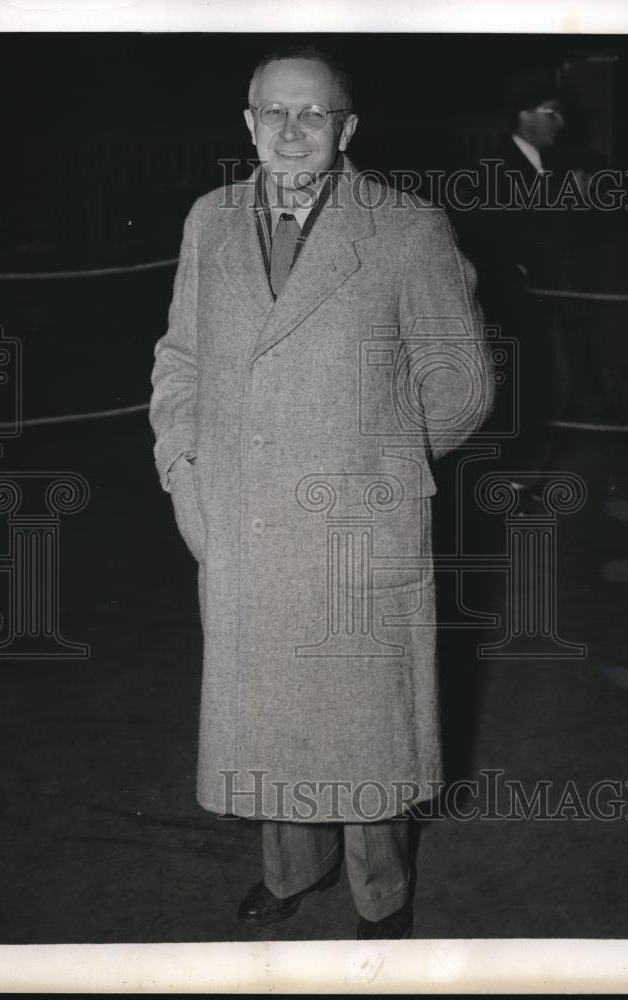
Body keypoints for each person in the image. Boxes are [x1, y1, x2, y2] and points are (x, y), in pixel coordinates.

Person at [149, 43, 495, 940]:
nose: (291, 129)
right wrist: (186, 472)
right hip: (240, 523)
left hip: (353, 526)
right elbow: (179, 360)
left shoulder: (405, 226)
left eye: (312, 113)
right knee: (269, 714)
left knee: (364, 729)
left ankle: (382, 895)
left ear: (347, 125)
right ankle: (291, 871)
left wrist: (369, 473)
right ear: (247, 123)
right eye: (273, 112)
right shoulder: (209, 220)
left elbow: (459, 384)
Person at [456, 72, 571, 512]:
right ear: (524, 115)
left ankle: (522, 482)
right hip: (512, 307)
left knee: (545, 391)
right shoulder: (496, 169)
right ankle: (502, 488)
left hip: (547, 304)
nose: (559, 122)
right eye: (552, 113)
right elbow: (480, 240)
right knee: (518, 396)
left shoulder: (552, 168)